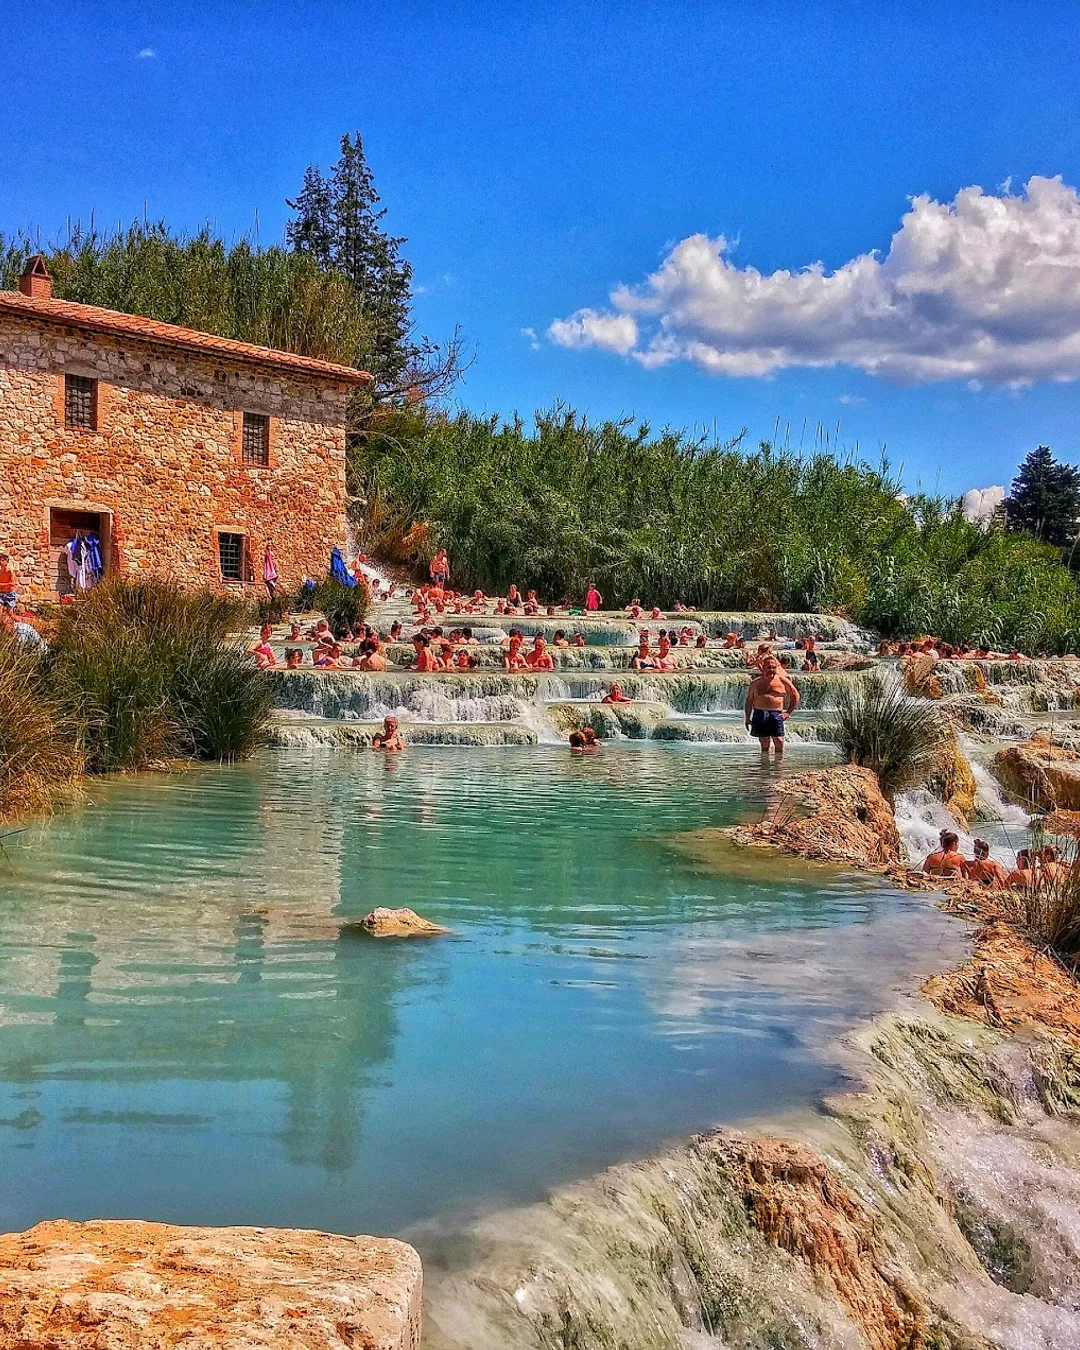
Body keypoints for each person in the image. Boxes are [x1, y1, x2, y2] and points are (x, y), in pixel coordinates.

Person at [744, 655, 800, 754]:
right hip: (759, 713)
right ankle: (765, 767)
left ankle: (779, 766)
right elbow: (749, 701)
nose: (771, 669)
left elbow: (795, 695)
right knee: (764, 743)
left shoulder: (783, 681)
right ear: (763, 667)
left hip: (776, 714)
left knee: (779, 741)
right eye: (769, 667)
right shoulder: (755, 683)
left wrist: (788, 712)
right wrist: (747, 718)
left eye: (774, 667)